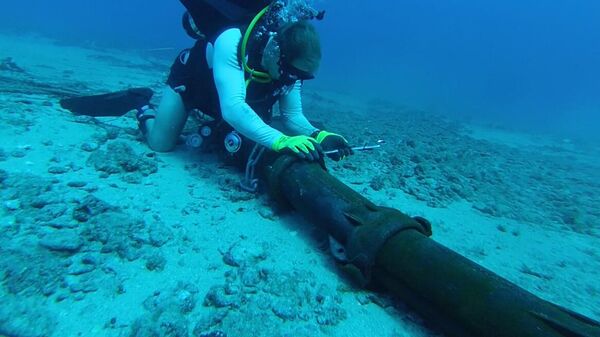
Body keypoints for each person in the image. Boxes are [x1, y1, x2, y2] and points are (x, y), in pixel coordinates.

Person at [136, 3, 353, 162]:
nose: (295, 80)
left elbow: (292, 117)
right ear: (276, 52)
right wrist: (281, 141)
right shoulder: (232, 39)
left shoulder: (292, 71)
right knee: (160, 144)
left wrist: (320, 135)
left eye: (304, 76)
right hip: (194, 83)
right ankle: (142, 105)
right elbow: (233, 108)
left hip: (224, 98)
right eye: (294, 73)